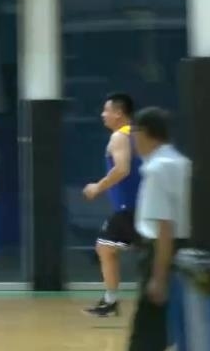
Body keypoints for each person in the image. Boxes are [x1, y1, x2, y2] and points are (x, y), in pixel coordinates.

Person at [126, 106, 191, 351]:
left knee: (146, 336)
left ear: (144, 133)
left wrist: (158, 277)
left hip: (161, 255)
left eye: (133, 133)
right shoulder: (183, 164)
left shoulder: (157, 170)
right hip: (185, 254)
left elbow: (164, 227)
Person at [82, 93, 143, 317]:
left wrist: (97, 187)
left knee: (105, 247)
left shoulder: (119, 136)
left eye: (106, 110)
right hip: (143, 207)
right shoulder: (140, 134)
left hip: (130, 208)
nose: (103, 114)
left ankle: (110, 303)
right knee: (110, 248)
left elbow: (122, 169)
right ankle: (111, 301)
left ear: (118, 113)